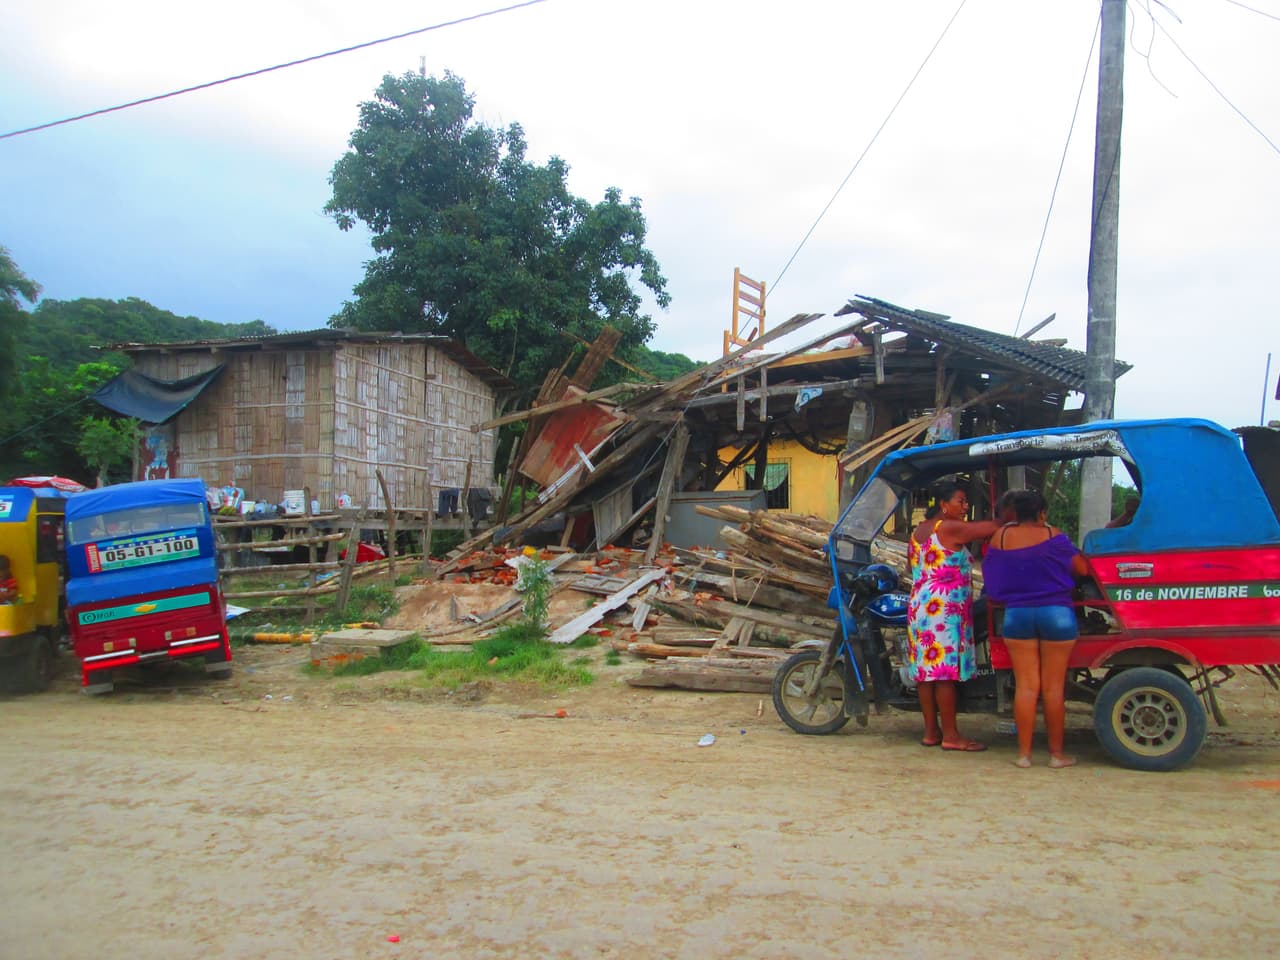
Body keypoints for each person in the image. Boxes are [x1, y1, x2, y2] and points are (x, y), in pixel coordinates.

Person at [981, 489, 1091, 769]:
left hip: (1016, 615)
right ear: (1042, 513)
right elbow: (1082, 569)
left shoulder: (1001, 537)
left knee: (1027, 687)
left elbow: (991, 577)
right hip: (1057, 613)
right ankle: (1056, 755)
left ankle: (1024, 755)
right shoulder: (1054, 535)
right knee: (1053, 689)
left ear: (1016, 513)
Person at [907, 480, 1002, 752]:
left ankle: (931, 732)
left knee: (926, 673)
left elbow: (913, 568)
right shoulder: (947, 527)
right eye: (960, 501)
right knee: (945, 674)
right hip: (944, 609)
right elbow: (990, 528)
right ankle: (951, 735)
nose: (965, 506)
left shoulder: (918, 532)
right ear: (943, 505)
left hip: (920, 607)